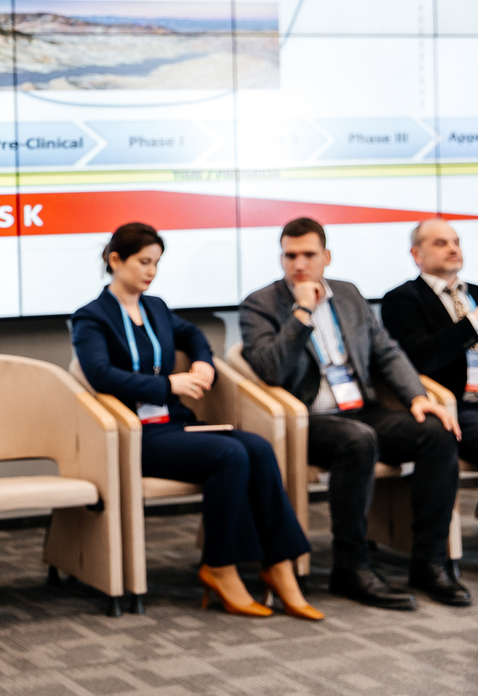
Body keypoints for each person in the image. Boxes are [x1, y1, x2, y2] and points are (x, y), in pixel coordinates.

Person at [73, 223, 319, 619]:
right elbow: (100, 375)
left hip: (173, 425)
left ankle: (278, 565)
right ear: (115, 260)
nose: (151, 271)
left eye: (156, 263)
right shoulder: (91, 317)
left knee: (257, 447)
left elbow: (193, 336)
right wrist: (168, 384)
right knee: (228, 454)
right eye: (143, 262)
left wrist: (203, 362)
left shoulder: (156, 308)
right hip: (133, 433)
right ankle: (219, 566)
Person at [239, 217, 468, 609]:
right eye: (290, 255)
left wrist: (416, 396)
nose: (299, 264)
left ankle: (429, 562)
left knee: (436, 432)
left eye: (309, 254)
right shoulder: (260, 304)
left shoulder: (347, 294)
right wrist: (301, 313)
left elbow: (386, 350)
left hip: (361, 410)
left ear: (326, 256)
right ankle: (351, 565)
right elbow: (270, 369)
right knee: (357, 441)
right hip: (308, 420)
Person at [381, 218, 478, 474]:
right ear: (416, 254)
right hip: (458, 403)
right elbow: (420, 358)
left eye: (456, 242)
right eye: (441, 243)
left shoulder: (476, 293)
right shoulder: (402, 299)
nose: (453, 249)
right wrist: (472, 324)